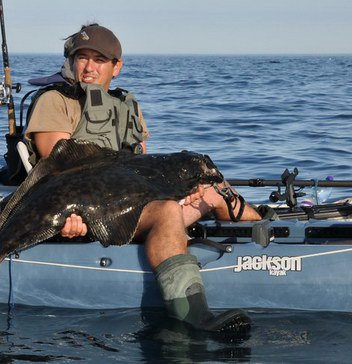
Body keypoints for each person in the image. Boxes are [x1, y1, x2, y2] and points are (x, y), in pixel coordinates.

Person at [25, 24, 262, 333]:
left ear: (116, 67)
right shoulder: (55, 102)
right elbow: (59, 170)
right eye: (81, 57)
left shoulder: (127, 106)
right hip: (89, 212)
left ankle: (273, 244)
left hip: (130, 201)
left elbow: (142, 167)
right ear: (71, 61)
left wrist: (180, 190)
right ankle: (193, 315)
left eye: (99, 59)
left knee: (213, 188)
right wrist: (76, 215)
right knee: (165, 211)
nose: (88, 67)